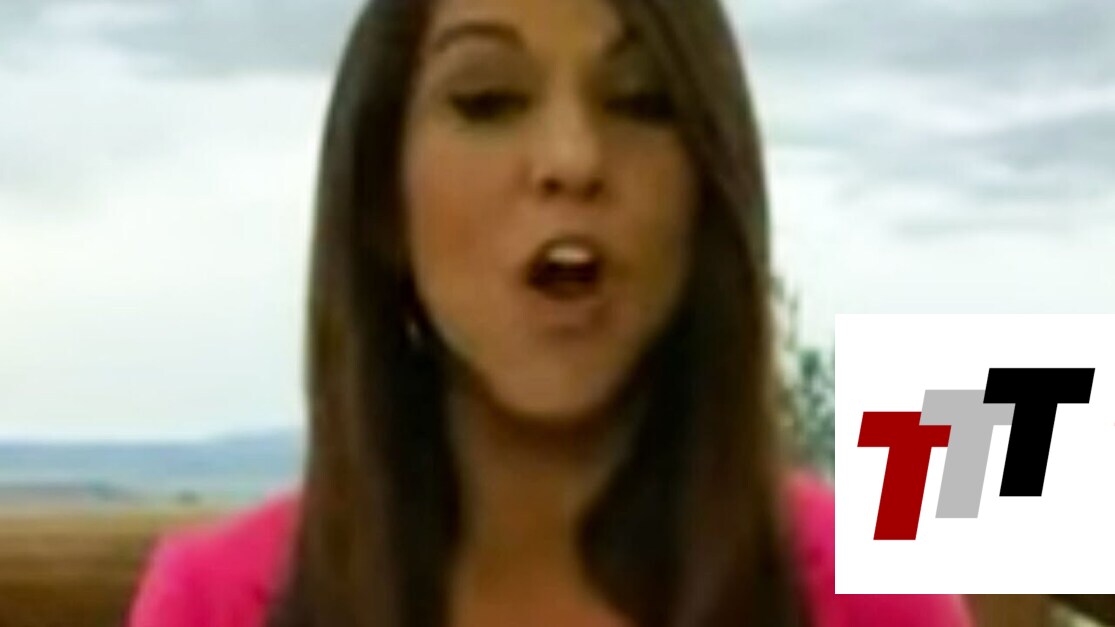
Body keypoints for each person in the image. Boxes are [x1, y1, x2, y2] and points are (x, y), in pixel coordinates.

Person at [128, 0, 974, 626]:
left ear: (707, 195)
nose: (572, 159)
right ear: (383, 202)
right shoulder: (213, 602)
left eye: (639, 99)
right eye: (487, 101)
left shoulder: (869, 595)